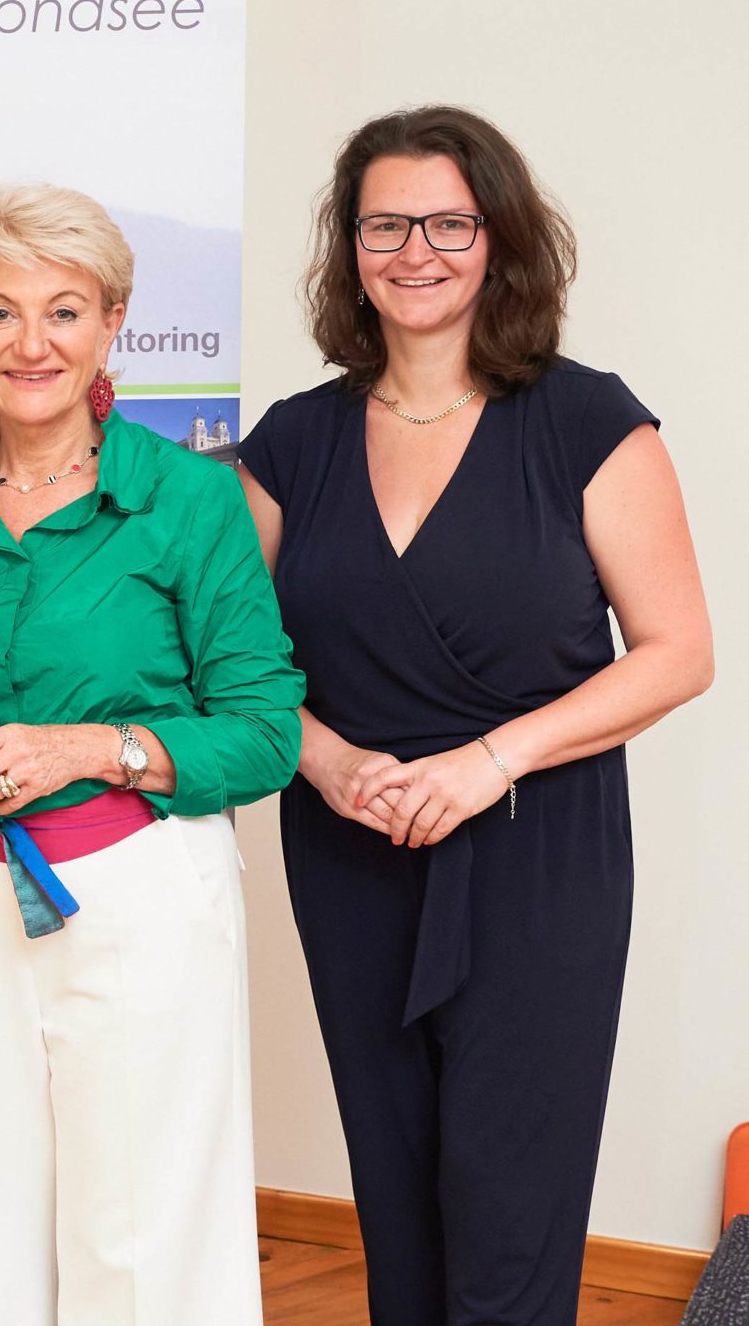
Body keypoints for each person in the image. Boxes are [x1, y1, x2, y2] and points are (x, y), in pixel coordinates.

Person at [237, 106, 712, 1326]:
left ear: (499, 239)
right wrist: (326, 762)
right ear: (349, 248)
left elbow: (678, 654)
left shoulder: (587, 420)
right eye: (385, 225)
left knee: (512, 1216)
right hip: (352, 848)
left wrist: (487, 763)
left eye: (449, 223)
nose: (417, 251)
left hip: (535, 855)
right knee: (397, 1207)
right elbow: (222, 662)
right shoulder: (292, 442)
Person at [0, 183, 303, 1326]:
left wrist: (94, 747)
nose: (30, 343)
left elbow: (265, 730)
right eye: (0, 311)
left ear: (112, 322)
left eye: (64, 311)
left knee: (143, 1237)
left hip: (141, 887)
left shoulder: (190, 500)